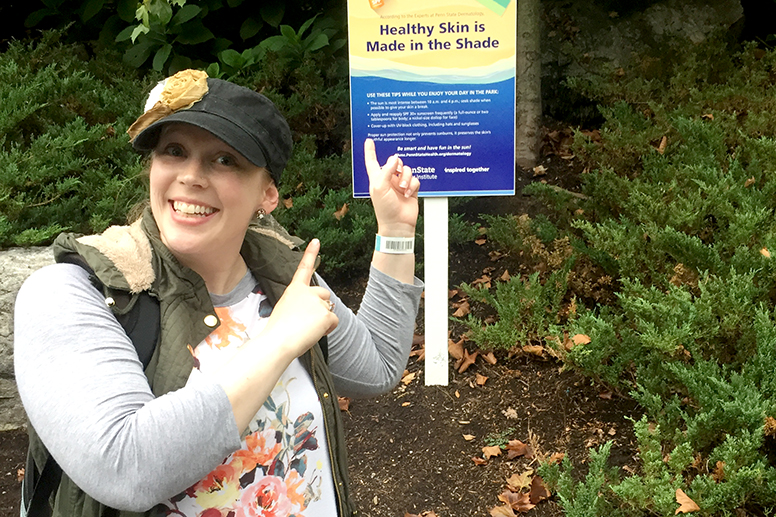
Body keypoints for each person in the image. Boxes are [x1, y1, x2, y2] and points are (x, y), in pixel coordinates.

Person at [14, 69, 423, 517]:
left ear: (267, 194)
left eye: (224, 160)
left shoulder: (285, 275)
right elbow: (124, 469)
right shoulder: (77, 291)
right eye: (174, 151)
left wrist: (397, 230)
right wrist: (276, 343)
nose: (190, 176)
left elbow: (377, 368)